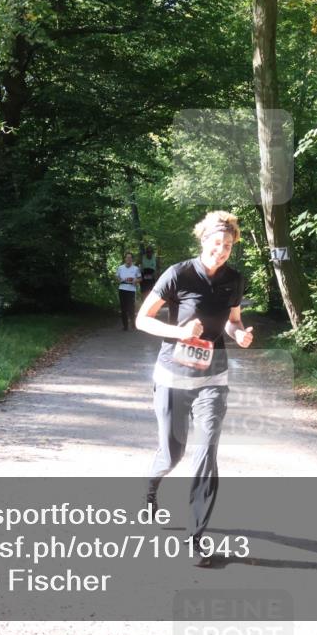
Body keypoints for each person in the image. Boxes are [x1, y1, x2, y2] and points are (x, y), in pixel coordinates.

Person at [134, 211, 253, 567]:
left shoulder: (234, 280)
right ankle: (152, 488)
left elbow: (232, 322)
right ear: (203, 241)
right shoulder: (178, 274)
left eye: (227, 245)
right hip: (172, 375)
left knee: (205, 454)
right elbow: (143, 319)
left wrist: (241, 334)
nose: (221, 250)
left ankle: (196, 538)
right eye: (216, 243)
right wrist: (179, 333)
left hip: (213, 379)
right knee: (172, 453)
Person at [116, 252, 141, 331]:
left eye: (130, 258)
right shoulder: (120, 268)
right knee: (123, 308)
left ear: (132, 259)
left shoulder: (136, 268)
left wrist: (135, 281)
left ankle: (133, 324)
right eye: (127, 257)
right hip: (122, 289)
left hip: (131, 289)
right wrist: (120, 280)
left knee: (131, 308)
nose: (128, 259)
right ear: (125, 259)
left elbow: (140, 278)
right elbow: (117, 277)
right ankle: (125, 326)